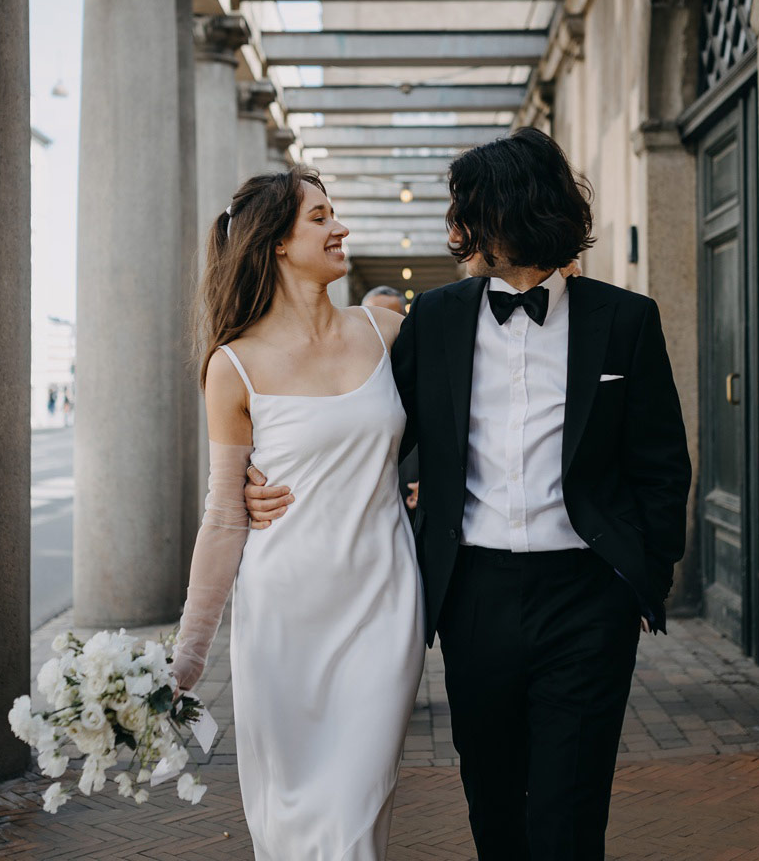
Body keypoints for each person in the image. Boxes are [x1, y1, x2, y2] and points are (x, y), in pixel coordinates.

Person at [246, 127, 692, 861]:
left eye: (469, 210)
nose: (456, 228)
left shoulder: (625, 321)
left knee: (569, 812)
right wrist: (250, 472)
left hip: (588, 596)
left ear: (514, 210)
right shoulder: (438, 319)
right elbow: (364, 429)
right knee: (492, 799)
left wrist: (642, 580)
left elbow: (660, 463)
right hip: (474, 595)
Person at [170, 168, 424, 861]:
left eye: (334, 214)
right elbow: (224, 515)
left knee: (354, 806)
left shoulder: (387, 328)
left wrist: (427, 481)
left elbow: (463, 422)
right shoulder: (234, 366)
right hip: (282, 619)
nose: (338, 227)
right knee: (292, 823)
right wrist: (187, 658)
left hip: (382, 603)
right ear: (277, 242)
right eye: (320, 217)